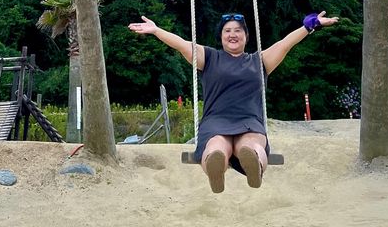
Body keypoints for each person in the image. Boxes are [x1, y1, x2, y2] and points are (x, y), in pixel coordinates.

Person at [128, 10, 339, 193]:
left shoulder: (260, 60)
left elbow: (285, 44)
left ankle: (253, 164)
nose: (233, 34)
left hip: (249, 121)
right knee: (217, 146)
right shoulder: (209, 57)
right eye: (227, 30)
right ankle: (215, 167)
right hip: (216, 121)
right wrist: (157, 30)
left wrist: (309, 26)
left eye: (238, 30)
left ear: (246, 36)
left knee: (250, 144)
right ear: (220, 37)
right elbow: (183, 45)